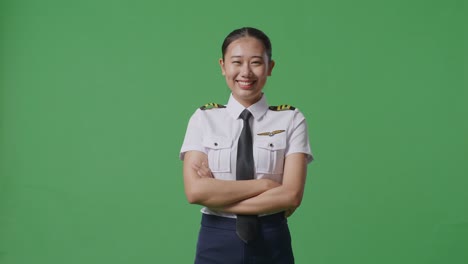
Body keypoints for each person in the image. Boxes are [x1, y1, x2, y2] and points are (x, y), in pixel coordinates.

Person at [179, 27, 313, 264]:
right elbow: (195, 192)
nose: (246, 72)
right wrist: (265, 185)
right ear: (223, 66)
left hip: (272, 239)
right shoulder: (203, 119)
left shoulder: (291, 119)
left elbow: (291, 195)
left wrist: (219, 194)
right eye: (237, 62)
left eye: (255, 63)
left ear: (270, 67)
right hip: (216, 239)